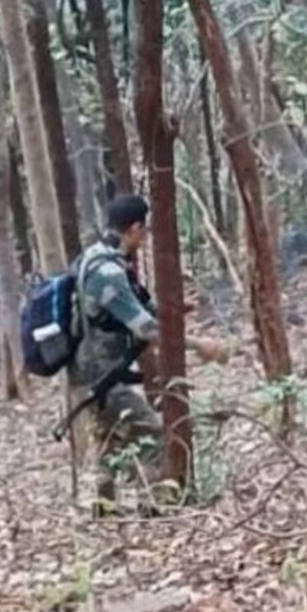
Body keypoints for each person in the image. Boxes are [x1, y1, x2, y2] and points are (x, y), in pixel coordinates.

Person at [70, 194, 226, 513]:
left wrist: (173, 310)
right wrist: (200, 345)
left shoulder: (96, 257)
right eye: (144, 231)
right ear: (135, 228)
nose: (145, 238)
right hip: (101, 376)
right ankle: (154, 510)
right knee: (154, 434)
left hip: (92, 372)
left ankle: (100, 513)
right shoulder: (108, 272)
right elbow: (145, 329)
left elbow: (132, 308)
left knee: (108, 441)